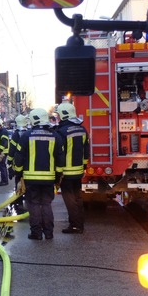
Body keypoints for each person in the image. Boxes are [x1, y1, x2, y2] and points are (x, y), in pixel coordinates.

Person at [14, 108, 64, 240]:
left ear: (34, 120)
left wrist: (18, 175)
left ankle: (36, 233)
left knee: (34, 204)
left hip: (31, 179)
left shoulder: (26, 136)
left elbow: (18, 158)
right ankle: (49, 233)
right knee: (47, 204)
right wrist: (58, 177)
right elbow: (60, 159)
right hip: (49, 179)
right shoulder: (55, 136)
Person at [55, 102, 89, 234]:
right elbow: (86, 150)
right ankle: (79, 224)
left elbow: (60, 154)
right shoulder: (82, 129)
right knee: (78, 198)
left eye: (58, 115)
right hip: (78, 171)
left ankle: (75, 226)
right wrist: (84, 166)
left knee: (70, 200)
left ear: (64, 115)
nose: (57, 118)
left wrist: (58, 172)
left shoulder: (62, 132)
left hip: (66, 172)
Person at [8, 114, 29, 211]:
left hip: (18, 161)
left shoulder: (16, 134)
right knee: (27, 181)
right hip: (28, 162)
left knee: (18, 179)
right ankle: (28, 197)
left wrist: (9, 160)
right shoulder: (29, 132)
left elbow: (12, 149)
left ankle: (19, 199)